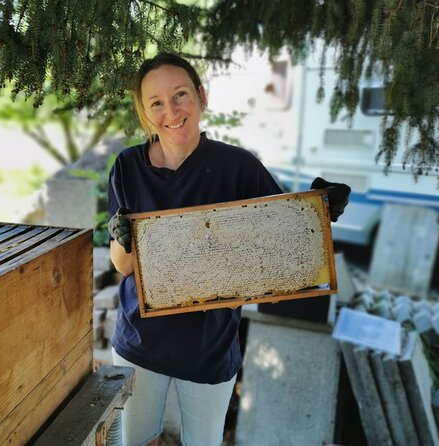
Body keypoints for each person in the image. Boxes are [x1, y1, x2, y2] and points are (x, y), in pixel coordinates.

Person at [107, 52, 350, 446]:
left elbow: (283, 240)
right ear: (145, 113)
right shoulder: (127, 166)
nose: (171, 110)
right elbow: (122, 266)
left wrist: (318, 213)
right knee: (134, 442)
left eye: (181, 94)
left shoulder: (238, 166)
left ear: (201, 96)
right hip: (140, 341)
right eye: (156, 102)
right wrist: (123, 239)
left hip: (210, 347)